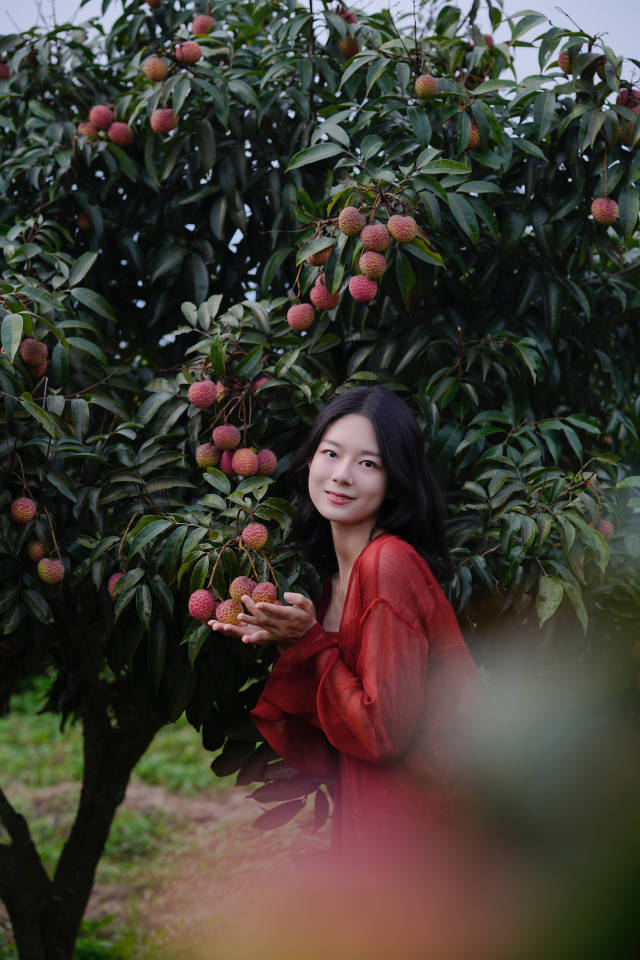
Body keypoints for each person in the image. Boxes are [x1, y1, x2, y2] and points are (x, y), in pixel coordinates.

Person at [208, 385, 483, 877]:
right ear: (310, 460)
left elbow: (380, 734)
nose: (341, 475)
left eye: (368, 463)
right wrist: (291, 638)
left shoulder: (387, 565)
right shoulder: (334, 581)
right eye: (331, 454)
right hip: (381, 820)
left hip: (424, 838)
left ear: (394, 483)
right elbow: (344, 724)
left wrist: (308, 643)